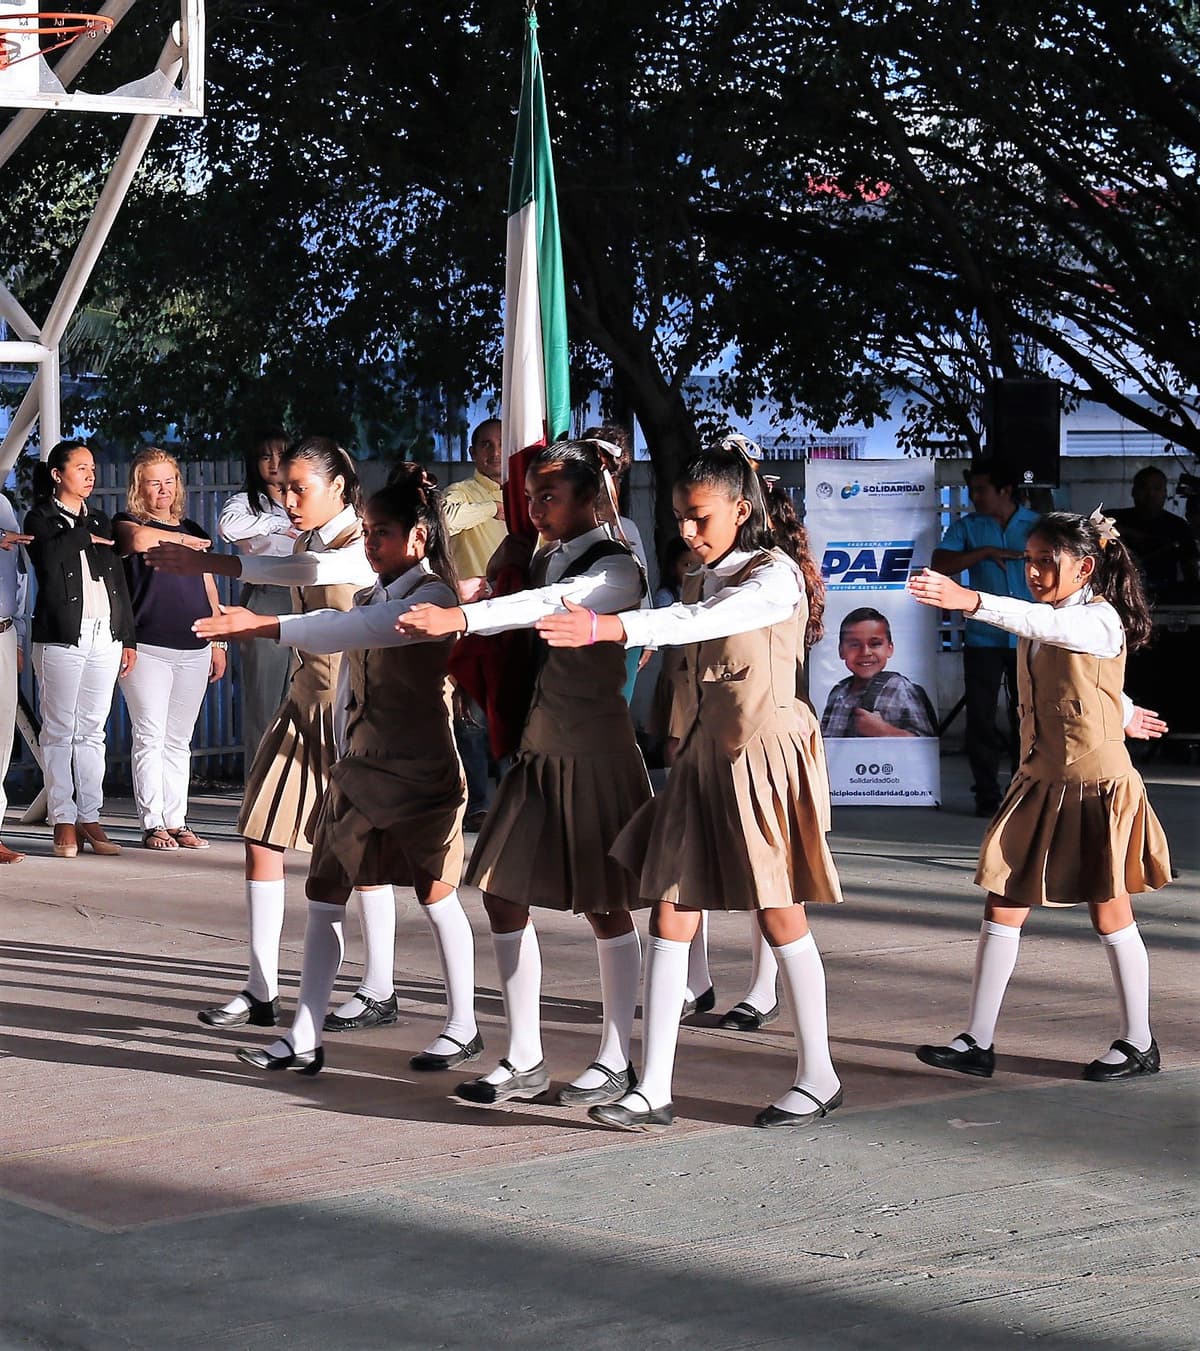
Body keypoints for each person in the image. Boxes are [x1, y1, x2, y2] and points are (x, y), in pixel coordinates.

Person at [537, 439, 845, 1131]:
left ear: (742, 509)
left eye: (700, 516)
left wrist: (610, 626)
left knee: (779, 914)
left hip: (763, 754)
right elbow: (691, 640)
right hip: (706, 755)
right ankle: (653, 1087)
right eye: (679, 516)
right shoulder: (704, 574)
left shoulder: (775, 577)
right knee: (670, 908)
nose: (686, 530)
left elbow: (707, 623)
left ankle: (819, 1075)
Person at [194, 469, 479, 1076]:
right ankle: (304, 1035)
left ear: (419, 537)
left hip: (421, 768)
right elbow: (351, 669)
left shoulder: (431, 598)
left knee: (435, 893)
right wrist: (345, 747)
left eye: (382, 534)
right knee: (324, 891)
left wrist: (262, 624)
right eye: (367, 532)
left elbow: (348, 628)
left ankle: (464, 1026)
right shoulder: (375, 592)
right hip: (363, 766)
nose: (370, 544)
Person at [398, 440, 650, 1109]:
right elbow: (526, 599)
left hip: (594, 749)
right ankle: (525, 1056)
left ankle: (615, 1057)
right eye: (531, 496)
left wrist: (464, 615)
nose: (536, 508)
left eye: (550, 496)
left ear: (592, 499)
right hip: (539, 747)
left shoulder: (616, 566)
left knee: (604, 904)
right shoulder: (539, 554)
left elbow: (551, 604)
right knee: (502, 892)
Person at [908, 509, 1172, 1082]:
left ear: (1086, 567)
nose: (1032, 571)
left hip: (1095, 783)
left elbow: (1062, 635)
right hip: (1041, 778)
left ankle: (1139, 1041)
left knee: (1110, 910)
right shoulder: (1053, 617)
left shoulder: (1098, 617)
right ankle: (977, 1040)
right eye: (1028, 560)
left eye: (1045, 561)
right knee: (1003, 899)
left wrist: (970, 600)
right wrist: (1124, 711)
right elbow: (1079, 669)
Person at [147, 437, 391, 1034]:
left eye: (299, 489)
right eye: (283, 488)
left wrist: (239, 596)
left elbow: (316, 576)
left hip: (353, 714)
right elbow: (296, 567)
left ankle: (380, 989)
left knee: (363, 857)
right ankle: (260, 991)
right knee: (261, 837)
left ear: (339, 486)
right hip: (304, 704)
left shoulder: (362, 544)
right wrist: (212, 565)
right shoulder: (306, 539)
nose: (287, 500)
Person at [24, 441, 137, 859]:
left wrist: (128, 637)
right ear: (58, 475)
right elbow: (47, 560)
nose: (90, 475)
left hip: (105, 633)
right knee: (59, 729)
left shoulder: (101, 517)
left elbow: (118, 582)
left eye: (92, 468)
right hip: (62, 636)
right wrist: (81, 532)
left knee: (93, 729)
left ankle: (90, 814)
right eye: (81, 468)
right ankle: (63, 818)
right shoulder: (41, 517)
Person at [113, 448, 227, 850]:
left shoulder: (192, 527)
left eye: (169, 481)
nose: (163, 489)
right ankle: (152, 823)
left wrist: (218, 640)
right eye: (154, 482)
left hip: (194, 646)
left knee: (180, 739)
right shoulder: (127, 524)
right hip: (148, 647)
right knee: (150, 736)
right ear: (139, 487)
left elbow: (208, 583)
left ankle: (178, 821)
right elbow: (140, 540)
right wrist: (184, 542)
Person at [932, 459, 1039, 815]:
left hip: (1029, 635)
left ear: (1005, 490)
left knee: (1029, 716)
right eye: (972, 490)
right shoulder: (968, 526)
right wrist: (986, 553)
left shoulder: (1037, 524)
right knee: (981, 718)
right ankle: (986, 795)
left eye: (981, 490)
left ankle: (1025, 791)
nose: (974, 496)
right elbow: (940, 564)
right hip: (983, 637)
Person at [441, 417, 507, 831]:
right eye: (486, 444)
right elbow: (444, 520)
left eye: (501, 444)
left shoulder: (528, 492)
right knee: (472, 717)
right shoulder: (461, 493)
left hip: (521, 617)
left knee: (514, 712)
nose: (494, 452)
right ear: (473, 452)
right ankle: (479, 803)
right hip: (473, 619)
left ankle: (514, 802)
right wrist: (493, 508)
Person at [217, 430, 297, 763]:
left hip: (308, 597)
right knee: (265, 700)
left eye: (281, 455)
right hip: (267, 595)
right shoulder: (246, 502)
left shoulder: (305, 497)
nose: (275, 463)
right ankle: (259, 782)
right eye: (266, 456)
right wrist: (275, 525)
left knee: (306, 695)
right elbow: (228, 528)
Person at [819, 607, 938, 738]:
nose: (865, 652)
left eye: (875, 644)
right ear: (841, 651)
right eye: (854, 644)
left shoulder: (900, 689)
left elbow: (926, 743)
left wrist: (884, 731)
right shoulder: (838, 692)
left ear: (890, 649)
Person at [1110, 466, 1199, 601]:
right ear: (1133, 492)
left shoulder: (1178, 526)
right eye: (1143, 488)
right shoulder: (1114, 519)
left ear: (1165, 493)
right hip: (1121, 595)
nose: (1150, 494)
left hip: (1167, 598)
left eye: (1157, 488)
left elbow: (1190, 570)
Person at [0, 495, 32, 864]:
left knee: (2, 736)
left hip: (5, 632)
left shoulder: (3, 505)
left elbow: (18, 577)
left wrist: (19, 637)